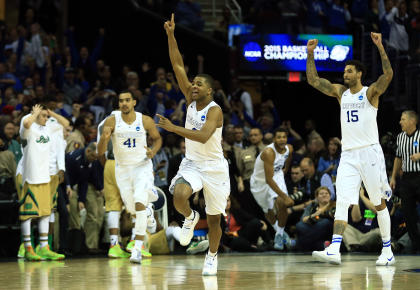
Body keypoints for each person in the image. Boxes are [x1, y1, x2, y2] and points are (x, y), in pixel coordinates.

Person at [306, 32, 395, 266]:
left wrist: (380, 47)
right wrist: (310, 54)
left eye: (349, 71)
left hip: (370, 152)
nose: (345, 74)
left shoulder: (370, 93)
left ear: (359, 74)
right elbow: (314, 81)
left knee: (378, 203)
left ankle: (387, 250)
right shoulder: (340, 93)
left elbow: (388, 75)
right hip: (349, 155)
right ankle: (334, 248)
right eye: (344, 71)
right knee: (343, 200)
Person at [157, 13, 230, 276]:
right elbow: (177, 65)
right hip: (193, 164)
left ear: (209, 90)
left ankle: (211, 256)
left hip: (215, 168)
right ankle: (189, 218)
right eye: (194, 83)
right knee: (178, 196)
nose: (194, 86)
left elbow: (201, 136)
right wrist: (171, 35)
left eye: (199, 84)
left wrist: (173, 127)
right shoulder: (189, 97)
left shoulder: (214, 110)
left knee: (214, 219)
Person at [98, 91, 162, 264]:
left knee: (140, 202)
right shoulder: (111, 121)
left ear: (134, 102)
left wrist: (153, 152)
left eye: (127, 100)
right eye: (121, 101)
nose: (124, 103)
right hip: (122, 170)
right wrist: (104, 140)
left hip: (142, 166)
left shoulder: (145, 120)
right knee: (134, 210)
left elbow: (157, 139)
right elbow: (99, 151)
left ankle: (137, 248)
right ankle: (149, 213)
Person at [19, 104, 68, 261]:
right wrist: (35, 113)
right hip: (30, 176)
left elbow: (66, 124)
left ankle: (43, 247)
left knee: (46, 213)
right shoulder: (28, 125)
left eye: (47, 117)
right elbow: (27, 124)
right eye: (44, 116)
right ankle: (27, 247)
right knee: (28, 214)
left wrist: (50, 112)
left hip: (45, 176)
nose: (46, 119)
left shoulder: (47, 128)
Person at [250, 128, 294, 250]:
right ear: (274, 139)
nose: (282, 139)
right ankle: (280, 232)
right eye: (278, 137)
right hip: (260, 183)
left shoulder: (289, 148)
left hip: (277, 175)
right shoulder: (269, 152)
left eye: (284, 137)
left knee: (282, 203)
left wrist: (285, 170)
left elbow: (288, 158)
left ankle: (279, 236)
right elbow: (269, 180)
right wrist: (286, 196)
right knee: (268, 211)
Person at [390, 110, 420, 253]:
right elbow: (398, 157)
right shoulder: (400, 137)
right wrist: (393, 177)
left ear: (412, 121)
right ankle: (416, 246)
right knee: (408, 213)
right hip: (407, 178)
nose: (400, 122)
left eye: (403, 119)